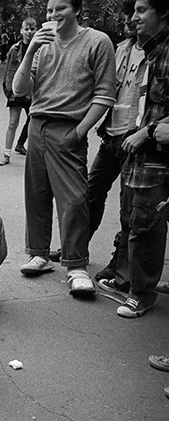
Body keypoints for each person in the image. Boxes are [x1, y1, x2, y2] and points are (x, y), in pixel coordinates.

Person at [11, 0, 116, 297]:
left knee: (74, 199)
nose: (53, 16)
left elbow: (105, 95)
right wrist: (30, 49)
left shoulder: (97, 41)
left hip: (69, 127)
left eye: (61, 9)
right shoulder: (41, 45)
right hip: (37, 125)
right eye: (49, 10)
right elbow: (19, 90)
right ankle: (39, 253)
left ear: (77, 10)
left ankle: (76, 264)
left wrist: (79, 132)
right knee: (37, 193)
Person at [99, 0, 169, 317]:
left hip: (156, 155)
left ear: (163, 11)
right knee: (135, 216)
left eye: (142, 10)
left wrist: (149, 132)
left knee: (145, 222)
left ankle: (141, 294)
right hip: (138, 150)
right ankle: (133, 280)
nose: (134, 17)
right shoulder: (150, 51)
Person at [86, 0, 144, 281]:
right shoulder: (120, 49)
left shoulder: (158, 53)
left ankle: (118, 263)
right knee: (90, 194)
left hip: (134, 140)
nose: (129, 20)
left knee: (128, 208)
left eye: (135, 13)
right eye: (127, 14)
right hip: (109, 135)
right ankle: (76, 249)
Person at [0, 18, 37, 166]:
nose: (29, 32)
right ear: (21, 30)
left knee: (34, 123)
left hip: (33, 91)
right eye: (26, 29)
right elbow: (9, 71)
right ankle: (6, 155)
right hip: (16, 90)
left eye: (32, 29)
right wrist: (9, 90)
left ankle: (34, 155)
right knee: (13, 122)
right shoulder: (14, 49)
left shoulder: (41, 48)